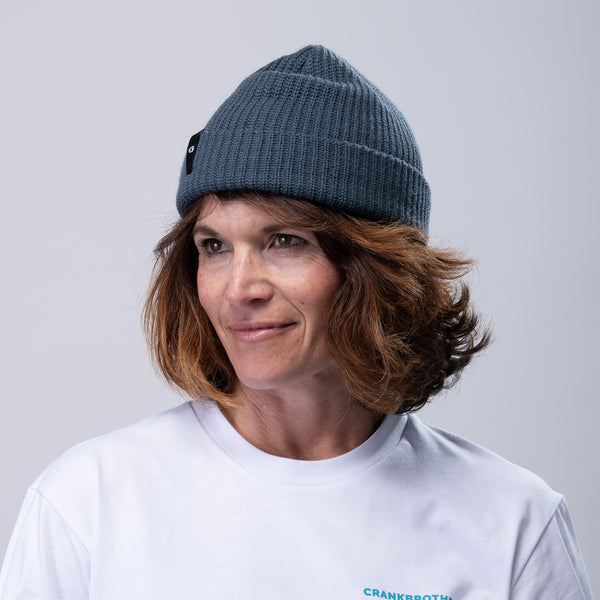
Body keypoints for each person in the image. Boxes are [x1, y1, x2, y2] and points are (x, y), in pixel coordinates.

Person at [0, 45, 592, 599]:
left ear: (378, 266)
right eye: (214, 246)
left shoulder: (512, 521)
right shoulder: (88, 505)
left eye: (285, 240)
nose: (239, 289)